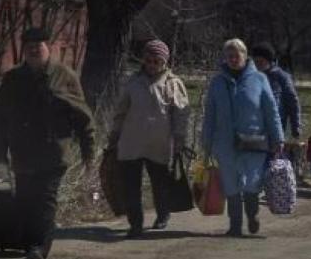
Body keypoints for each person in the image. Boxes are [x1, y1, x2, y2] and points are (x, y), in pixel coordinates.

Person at [0, 27, 94, 259]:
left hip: (53, 152)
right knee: (26, 198)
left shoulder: (64, 76)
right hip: (22, 152)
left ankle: (39, 249)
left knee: (45, 200)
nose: (34, 50)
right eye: (29, 47)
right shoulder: (13, 79)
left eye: (39, 45)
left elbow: (83, 116)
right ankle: (29, 243)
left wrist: (88, 151)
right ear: (24, 51)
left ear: (49, 47)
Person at [202, 39, 284, 237]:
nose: (232, 59)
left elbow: (271, 111)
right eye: (229, 56)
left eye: (236, 55)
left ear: (245, 56)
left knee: (251, 183)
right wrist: (206, 142)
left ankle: (252, 215)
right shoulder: (217, 82)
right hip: (225, 142)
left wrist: (278, 138)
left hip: (254, 140)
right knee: (230, 184)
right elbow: (210, 114)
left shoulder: (259, 79)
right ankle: (235, 225)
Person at [109, 39, 190, 238]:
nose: (152, 65)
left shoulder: (173, 83)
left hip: (159, 144)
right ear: (143, 60)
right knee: (131, 186)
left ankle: (163, 214)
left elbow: (181, 114)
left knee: (160, 183)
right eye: (149, 60)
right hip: (131, 142)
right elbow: (120, 111)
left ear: (164, 62)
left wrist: (179, 140)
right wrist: (114, 135)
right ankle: (135, 224)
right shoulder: (133, 82)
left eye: (157, 61)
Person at [251, 43, 301, 139]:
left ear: (269, 61)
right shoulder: (250, 76)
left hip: (274, 128)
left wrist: (296, 126)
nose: (257, 66)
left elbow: (292, 102)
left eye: (260, 62)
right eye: (255, 62)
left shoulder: (281, 77)